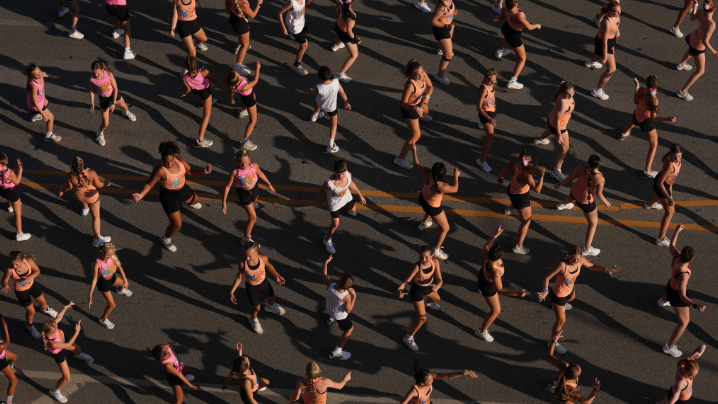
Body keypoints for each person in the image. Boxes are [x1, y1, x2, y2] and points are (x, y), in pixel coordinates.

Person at [538, 246, 620, 354]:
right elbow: (546, 278)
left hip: (569, 291)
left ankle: (558, 307)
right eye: (573, 259)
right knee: (561, 321)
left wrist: (605, 269)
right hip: (559, 295)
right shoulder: (562, 265)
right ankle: (553, 342)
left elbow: (592, 266)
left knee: (572, 298)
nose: (575, 262)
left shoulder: (580, 260)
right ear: (568, 256)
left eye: (577, 259)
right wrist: (545, 290)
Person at [132, 141, 212, 253]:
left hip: (182, 190)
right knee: (177, 225)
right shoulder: (160, 170)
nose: (169, 164)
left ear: (175, 157)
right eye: (166, 162)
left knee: (196, 200)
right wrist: (141, 195)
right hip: (168, 196)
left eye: (171, 161)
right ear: (162, 160)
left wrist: (204, 171)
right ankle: (166, 238)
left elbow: (192, 172)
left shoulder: (180, 161)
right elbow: (150, 184)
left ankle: (185, 202)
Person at [656, 226, 707, 357]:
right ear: (691, 259)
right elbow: (682, 296)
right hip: (676, 294)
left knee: (670, 293)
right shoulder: (683, 275)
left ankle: (662, 301)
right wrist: (695, 305)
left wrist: (677, 231)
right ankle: (670, 346)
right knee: (684, 322)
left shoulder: (676, 257)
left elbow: (671, 245)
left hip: (670, 285)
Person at [475, 225, 530, 342]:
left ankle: (479, 287)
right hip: (488, 286)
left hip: (482, 276)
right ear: (500, 255)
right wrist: (517, 293)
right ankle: (481, 331)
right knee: (495, 311)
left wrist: (495, 236)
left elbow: (485, 246)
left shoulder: (486, 255)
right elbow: (500, 290)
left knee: (482, 283)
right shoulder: (495, 271)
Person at [619, 77, 677, 179]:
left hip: (637, 114)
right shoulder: (654, 100)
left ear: (646, 84)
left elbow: (636, 102)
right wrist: (668, 118)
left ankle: (623, 134)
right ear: (656, 86)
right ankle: (646, 171)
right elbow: (653, 118)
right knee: (654, 145)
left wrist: (636, 88)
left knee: (634, 120)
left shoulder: (641, 90)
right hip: (646, 122)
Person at [553, 154, 611, 257]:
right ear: (600, 163)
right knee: (593, 223)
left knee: (571, 197)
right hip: (586, 202)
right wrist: (606, 202)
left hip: (575, 192)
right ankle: (587, 248)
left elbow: (571, 178)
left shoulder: (580, 166)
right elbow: (599, 194)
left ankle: (562, 205)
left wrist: (560, 184)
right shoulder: (600, 178)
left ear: (588, 162)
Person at [412, 145, 459, 260]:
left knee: (429, 209)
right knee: (445, 228)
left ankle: (423, 224)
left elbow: (416, 164)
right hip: (432, 207)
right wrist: (456, 176)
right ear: (442, 174)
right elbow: (455, 189)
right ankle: (436, 250)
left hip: (422, 198)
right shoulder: (442, 186)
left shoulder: (427, 172)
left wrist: (414, 151)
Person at [229, 242, 287, 334]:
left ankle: (270, 306)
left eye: (249, 256)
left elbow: (269, 266)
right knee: (257, 308)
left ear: (257, 253)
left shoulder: (263, 259)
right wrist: (232, 292)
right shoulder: (243, 264)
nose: (247, 258)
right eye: (245, 255)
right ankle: (253, 319)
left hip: (263, 282)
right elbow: (239, 278)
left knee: (272, 297)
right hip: (251, 287)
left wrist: (277, 276)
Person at [42, 302, 94, 404]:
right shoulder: (53, 344)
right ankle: (55, 391)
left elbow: (59, 317)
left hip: (62, 341)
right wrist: (77, 331)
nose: (57, 325)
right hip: (59, 352)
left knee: (77, 349)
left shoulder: (52, 327)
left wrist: (65, 307)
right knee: (67, 378)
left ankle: (78, 355)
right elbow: (68, 344)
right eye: (56, 328)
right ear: (52, 332)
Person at [221, 150, 276, 245]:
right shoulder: (235, 172)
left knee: (255, 199)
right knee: (253, 217)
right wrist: (224, 203)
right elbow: (227, 186)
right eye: (241, 163)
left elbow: (261, 174)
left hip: (254, 188)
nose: (244, 165)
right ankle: (245, 238)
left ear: (249, 160)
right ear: (237, 162)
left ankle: (253, 202)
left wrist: (269, 184)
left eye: (246, 162)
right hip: (243, 193)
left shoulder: (254, 166)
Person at [496, 150, 545, 255]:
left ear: (519, 159)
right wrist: (541, 176)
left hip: (511, 190)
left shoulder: (512, 165)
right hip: (521, 198)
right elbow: (537, 189)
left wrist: (500, 178)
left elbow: (502, 174)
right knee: (527, 220)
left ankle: (509, 210)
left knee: (514, 200)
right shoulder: (526, 175)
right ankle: (518, 246)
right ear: (530, 160)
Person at [396, 245, 444, 352]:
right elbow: (406, 280)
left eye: (426, 257)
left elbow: (440, 280)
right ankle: (408, 338)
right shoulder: (417, 267)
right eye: (421, 257)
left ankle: (426, 303)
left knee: (437, 298)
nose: (423, 260)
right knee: (422, 319)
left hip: (428, 288)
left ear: (432, 256)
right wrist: (399, 289)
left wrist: (437, 286)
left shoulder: (435, 261)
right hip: (417, 291)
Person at [57, 157, 112, 247]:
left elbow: (69, 187)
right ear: (82, 164)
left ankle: (85, 209)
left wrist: (62, 191)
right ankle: (97, 238)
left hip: (79, 196)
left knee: (84, 201)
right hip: (92, 197)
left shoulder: (70, 175)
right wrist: (106, 183)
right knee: (96, 216)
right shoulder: (91, 173)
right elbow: (99, 185)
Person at [2, 252, 59, 339]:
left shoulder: (29, 261)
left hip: (32, 286)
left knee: (43, 302)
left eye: (17, 264)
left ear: (22, 260)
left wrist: (31, 277)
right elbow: (4, 280)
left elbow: (37, 271)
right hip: (21, 291)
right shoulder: (10, 270)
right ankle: (29, 326)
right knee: (31, 311)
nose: (15, 267)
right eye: (13, 264)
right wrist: (5, 284)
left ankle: (45, 310)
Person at [315, 159, 366, 254]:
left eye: (343, 174)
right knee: (335, 224)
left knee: (353, 212)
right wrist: (320, 197)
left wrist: (360, 195)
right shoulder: (329, 183)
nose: (341, 176)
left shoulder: (348, 174)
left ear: (345, 171)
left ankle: (348, 208)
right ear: (334, 171)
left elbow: (351, 183)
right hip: (334, 203)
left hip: (346, 197)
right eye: (338, 174)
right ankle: (327, 240)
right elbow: (322, 189)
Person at [394, 59, 434, 170]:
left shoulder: (423, 74)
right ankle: (400, 159)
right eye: (418, 75)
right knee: (416, 135)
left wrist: (426, 99)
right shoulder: (410, 85)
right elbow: (403, 103)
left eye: (422, 73)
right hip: (410, 108)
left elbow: (430, 87)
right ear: (412, 75)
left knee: (426, 112)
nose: (421, 77)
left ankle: (422, 114)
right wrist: (416, 108)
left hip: (419, 103)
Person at [493, 0, 541, 90]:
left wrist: (497, 17)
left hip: (506, 28)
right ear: (515, 4)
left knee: (507, 37)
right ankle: (512, 81)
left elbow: (502, 16)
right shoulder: (518, 16)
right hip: (514, 35)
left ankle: (499, 52)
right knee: (522, 58)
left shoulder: (504, 9)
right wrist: (537, 25)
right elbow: (529, 27)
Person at [533, 81, 576, 180]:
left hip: (551, 119)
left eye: (572, 93)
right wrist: (559, 135)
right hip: (559, 126)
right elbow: (557, 121)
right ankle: (556, 170)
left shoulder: (563, 93)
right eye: (568, 94)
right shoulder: (563, 104)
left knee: (550, 129)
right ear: (562, 93)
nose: (570, 95)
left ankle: (540, 139)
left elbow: (563, 83)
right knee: (564, 149)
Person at [88, 61, 137, 147]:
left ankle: (126, 112)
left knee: (124, 107)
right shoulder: (92, 79)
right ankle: (99, 133)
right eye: (94, 73)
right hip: (104, 99)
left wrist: (114, 103)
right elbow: (91, 91)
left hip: (113, 95)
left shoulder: (109, 74)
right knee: (105, 123)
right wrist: (92, 103)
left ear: (103, 70)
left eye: (98, 73)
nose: (96, 75)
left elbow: (115, 88)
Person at [676, 0, 717, 101]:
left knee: (691, 50)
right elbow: (705, 41)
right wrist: (715, 52)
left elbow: (691, 17)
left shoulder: (700, 12)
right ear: (714, 9)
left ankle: (681, 64)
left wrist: (695, 5)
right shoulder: (711, 24)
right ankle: (683, 91)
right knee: (700, 71)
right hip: (698, 45)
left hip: (692, 37)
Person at [546, 331, 602, 404]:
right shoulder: (570, 390)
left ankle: (553, 386)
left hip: (560, 391)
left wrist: (554, 339)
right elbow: (586, 403)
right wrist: (596, 388)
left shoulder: (564, 366)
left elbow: (549, 355)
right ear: (576, 377)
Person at [178, 56, 222, 148]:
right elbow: (213, 80)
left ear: (185, 67)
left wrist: (182, 94)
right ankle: (199, 139)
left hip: (197, 91)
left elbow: (188, 90)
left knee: (204, 99)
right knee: (207, 115)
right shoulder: (203, 72)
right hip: (206, 93)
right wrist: (222, 87)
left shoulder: (184, 78)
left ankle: (204, 103)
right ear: (196, 64)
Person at [644, 144, 683, 246]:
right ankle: (660, 238)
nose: (677, 158)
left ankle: (649, 204)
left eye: (679, 156)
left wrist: (670, 194)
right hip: (662, 186)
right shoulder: (670, 165)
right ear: (670, 154)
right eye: (675, 156)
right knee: (670, 212)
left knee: (662, 199)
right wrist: (669, 198)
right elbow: (660, 183)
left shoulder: (675, 160)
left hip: (667, 185)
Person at [88, 243, 133, 330]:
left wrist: (126, 280)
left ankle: (120, 290)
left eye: (111, 255)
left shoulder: (111, 255)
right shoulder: (98, 263)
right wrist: (90, 295)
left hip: (112, 278)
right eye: (107, 255)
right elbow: (94, 280)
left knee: (123, 283)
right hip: (104, 284)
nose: (109, 257)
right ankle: (103, 319)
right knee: (112, 305)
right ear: (101, 251)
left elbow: (119, 267)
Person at [308, 66, 351, 153]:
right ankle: (331, 145)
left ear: (319, 77)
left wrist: (310, 90)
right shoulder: (336, 82)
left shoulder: (319, 86)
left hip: (321, 104)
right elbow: (343, 93)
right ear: (330, 74)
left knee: (318, 100)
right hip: (331, 108)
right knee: (333, 124)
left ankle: (314, 116)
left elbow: (312, 93)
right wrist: (346, 102)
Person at [321, 255, 356, 360]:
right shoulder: (346, 296)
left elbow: (324, 274)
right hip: (340, 315)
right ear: (348, 288)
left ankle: (331, 320)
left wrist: (326, 262)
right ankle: (337, 352)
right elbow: (349, 310)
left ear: (339, 280)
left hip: (329, 309)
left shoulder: (330, 284)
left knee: (333, 315)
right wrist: (354, 297)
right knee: (349, 330)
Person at [586, 1, 621, 100]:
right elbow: (604, 42)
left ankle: (590, 62)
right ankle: (597, 91)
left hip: (611, 39)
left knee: (600, 55)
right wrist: (605, 57)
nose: (618, 13)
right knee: (611, 69)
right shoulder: (606, 22)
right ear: (610, 11)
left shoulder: (616, 16)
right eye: (616, 12)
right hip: (604, 42)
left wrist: (617, 31)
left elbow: (617, 23)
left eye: (619, 11)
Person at [399, 360, 478, 404]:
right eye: (430, 381)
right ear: (422, 383)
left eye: (432, 378)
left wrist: (465, 372)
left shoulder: (429, 377)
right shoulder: (414, 391)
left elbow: (447, 376)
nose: (432, 380)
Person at [475, 68, 507, 173]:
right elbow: (478, 108)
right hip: (485, 113)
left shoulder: (490, 83)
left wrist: (499, 89)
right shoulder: (483, 89)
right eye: (490, 81)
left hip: (490, 110)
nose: (493, 82)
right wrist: (488, 119)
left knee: (488, 127)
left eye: (494, 80)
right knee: (490, 138)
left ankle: (483, 124)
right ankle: (481, 160)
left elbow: (492, 88)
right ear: (484, 79)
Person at [226, 61, 261, 151]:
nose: (237, 72)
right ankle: (245, 142)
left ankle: (243, 112)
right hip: (248, 100)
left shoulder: (232, 80)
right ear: (238, 79)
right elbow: (255, 81)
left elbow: (233, 74)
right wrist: (258, 68)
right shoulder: (244, 87)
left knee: (254, 96)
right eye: (237, 74)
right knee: (253, 120)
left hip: (246, 96)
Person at [226, 0, 262, 76]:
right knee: (245, 45)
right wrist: (259, 4)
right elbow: (253, 15)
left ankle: (238, 46)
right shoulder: (243, 3)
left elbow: (227, 12)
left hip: (233, 19)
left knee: (241, 36)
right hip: (241, 24)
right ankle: (237, 67)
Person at [26, 64, 61, 143]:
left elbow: (45, 74)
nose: (39, 74)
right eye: (36, 75)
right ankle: (48, 136)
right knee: (51, 118)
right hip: (36, 105)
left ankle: (36, 115)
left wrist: (53, 76)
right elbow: (35, 102)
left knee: (47, 102)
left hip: (40, 101)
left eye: (39, 72)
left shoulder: (40, 74)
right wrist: (43, 115)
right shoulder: (33, 86)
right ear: (31, 76)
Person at [278, 0, 313, 76]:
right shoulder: (291, 3)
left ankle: (296, 37)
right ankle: (296, 65)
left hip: (302, 21)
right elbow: (279, 12)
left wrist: (307, 2)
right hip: (295, 27)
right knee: (304, 45)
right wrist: (283, 27)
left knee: (306, 31)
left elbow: (302, 6)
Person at [170, 0, 209, 68]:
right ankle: (185, 69)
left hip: (194, 24)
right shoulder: (177, 1)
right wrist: (172, 29)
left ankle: (196, 44)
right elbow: (175, 15)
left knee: (204, 39)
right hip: (183, 28)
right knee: (192, 53)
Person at [0, 155, 30, 241]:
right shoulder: (10, 173)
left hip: (2, 191)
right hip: (12, 193)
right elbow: (17, 182)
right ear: (7, 162)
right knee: (18, 213)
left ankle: (10, 207)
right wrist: (20, 169)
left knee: (8, 194)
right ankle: (19, 234)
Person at [332, 0, 361, 82]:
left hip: (337, 26)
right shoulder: (350, 15)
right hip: (345, 34)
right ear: (351, 2)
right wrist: (356, 40)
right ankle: (340, 74)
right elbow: (349, 31)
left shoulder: (340, 5)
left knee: (340, 36)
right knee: (354, 55)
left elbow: (337, 8)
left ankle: (336, 45)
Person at [431, 0, 457, 85]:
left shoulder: (449, 1)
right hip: (441, 29)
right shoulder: (441, 7)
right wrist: (446, 26)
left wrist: (452, 12)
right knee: (448, 55)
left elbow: (448, 12)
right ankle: (439, 76)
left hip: (448, 26)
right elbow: (433, 21)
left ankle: (441, 48)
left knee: (450, 38)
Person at [0, 316, 20, 404]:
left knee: (14, 356)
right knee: (14, 381)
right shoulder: (0, 346)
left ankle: (11, 368)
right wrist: (5, 328)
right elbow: (8, 341)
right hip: (1, 361)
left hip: (2, 353)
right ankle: (9, 402)